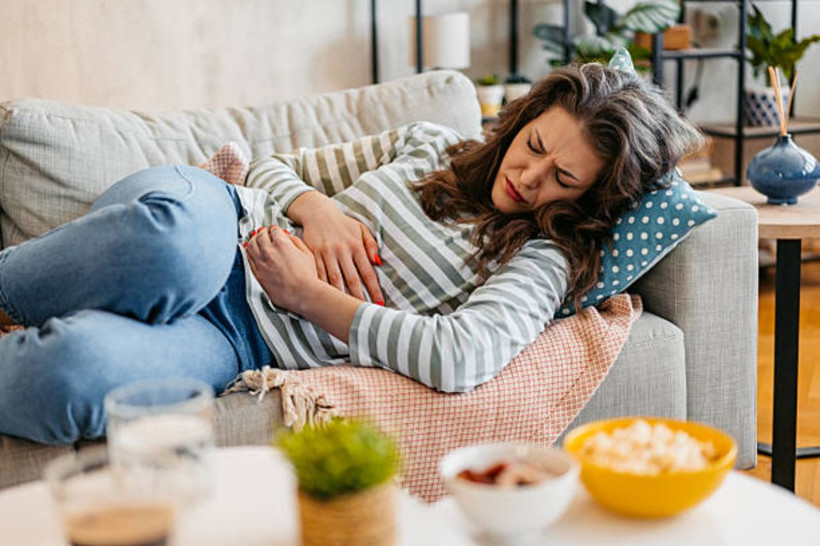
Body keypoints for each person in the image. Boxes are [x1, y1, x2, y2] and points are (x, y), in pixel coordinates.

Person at [0, 62, 703, 445]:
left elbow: (462, 356)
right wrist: (319, 209)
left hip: (237, 337)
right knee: (168, 245)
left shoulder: (540, 261)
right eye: (535, 147)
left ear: (590, 201)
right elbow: (272, 169)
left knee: (71, 377)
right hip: (218, 218)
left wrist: (311, 298)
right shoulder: (430, 145)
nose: (530, 177)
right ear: (521, 120)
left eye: (564, 180)